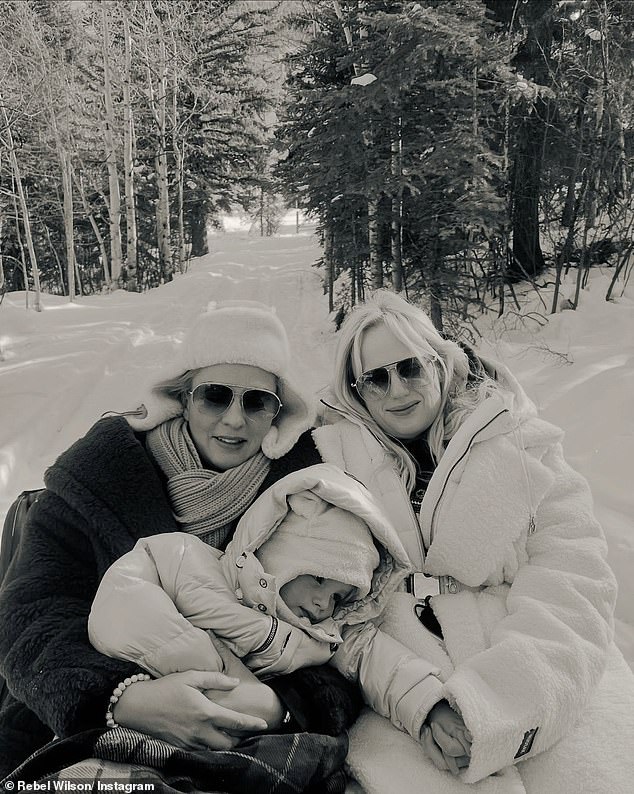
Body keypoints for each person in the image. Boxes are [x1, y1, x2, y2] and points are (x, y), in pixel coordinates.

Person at [0, 301, 362, 782]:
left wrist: (276, 705)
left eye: (256, 402)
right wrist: (122, 699)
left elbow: (345, 630)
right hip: (85, 723)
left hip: (242, 731)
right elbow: (32, 614)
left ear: (277, 414)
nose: (234, 420)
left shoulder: (308, 498)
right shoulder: (98, 476)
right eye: (215, 396)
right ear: (184, 397)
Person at [311, 289, 634, 793]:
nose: (397, 390)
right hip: (403, 698)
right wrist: (421, 701)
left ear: (440, 363)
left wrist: (495, 704)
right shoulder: (336, 472)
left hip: (543, 676)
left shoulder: (525, 447)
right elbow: (325, 611)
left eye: (410, 367)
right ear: (357, 392)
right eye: (377, 377)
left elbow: (575, 586)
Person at [88, 463, 471, 766]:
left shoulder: (319, 635)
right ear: (279, 548)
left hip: (238, 741)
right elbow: (123, 594)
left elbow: (378, 661)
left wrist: (430, 708)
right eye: (319, 579)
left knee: (312, 760)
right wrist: (198, 662)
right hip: (155, 711)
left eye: (339, 597)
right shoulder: (191, 560)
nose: (324, 605)